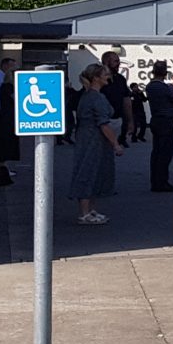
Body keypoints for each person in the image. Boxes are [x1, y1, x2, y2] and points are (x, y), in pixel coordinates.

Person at [68, 64, 124, 225]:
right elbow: (103, 124)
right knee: (88, 171)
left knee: (95, 172)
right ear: (96, 78)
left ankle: (90, 210)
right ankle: (85, 212)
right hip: (92, 139)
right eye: (105, 74)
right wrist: (116, 144)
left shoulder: (89, 96)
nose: (108, 76)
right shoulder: (96, 98)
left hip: (89, 138)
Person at [144, 63, 173, 192]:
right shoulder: (165, 87)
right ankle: (162, 182)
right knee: (165, 153)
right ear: (165, 73)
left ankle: (155, 181)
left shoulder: (149, 86)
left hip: (155, 119)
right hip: (166, 120)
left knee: (156, 152)